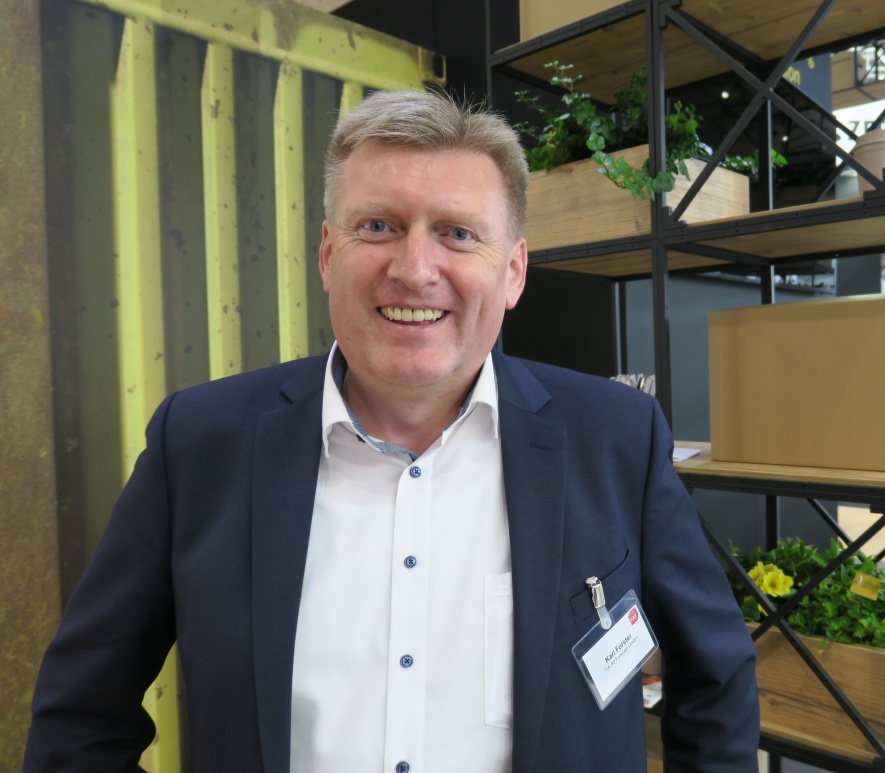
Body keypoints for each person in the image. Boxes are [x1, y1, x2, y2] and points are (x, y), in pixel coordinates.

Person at [24, 91, 759, 772]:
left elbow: (715, 679)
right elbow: (82, 713)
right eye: (378, 226)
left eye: (457, 233)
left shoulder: (615, 438)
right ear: (326, 255)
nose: (414, 268)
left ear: (513, 271)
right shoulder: (202, 443)